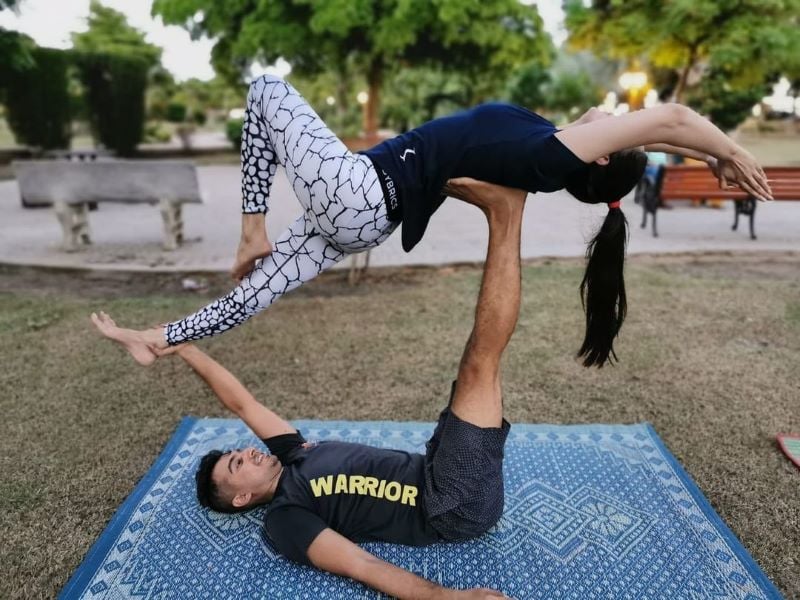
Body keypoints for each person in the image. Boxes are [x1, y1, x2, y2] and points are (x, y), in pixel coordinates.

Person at [93, 75, 772, 368]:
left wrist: (728, 145)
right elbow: (658, 135)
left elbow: (669, 118)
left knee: (266, 90)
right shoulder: (548, 144)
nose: (614, 118)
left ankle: (249, 230)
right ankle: (154, 338)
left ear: (597, 163)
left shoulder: (543, 157)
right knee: (253, 295)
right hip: (362, 217)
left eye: (619, 132)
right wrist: (705, 156)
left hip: (363, 189)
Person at [93, 179, 529, 599]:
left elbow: (241, 402)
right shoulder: (286, 520)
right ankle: (505, 212)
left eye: (236, 452)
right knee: (479, 364)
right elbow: (361, 564)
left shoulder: (293, 453)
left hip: (436, 466)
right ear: (242, 497)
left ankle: (506, 209)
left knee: (479, 368)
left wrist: (181, 345)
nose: (245, 452)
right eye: (235, 465)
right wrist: (441, 597)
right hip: (449, 504)